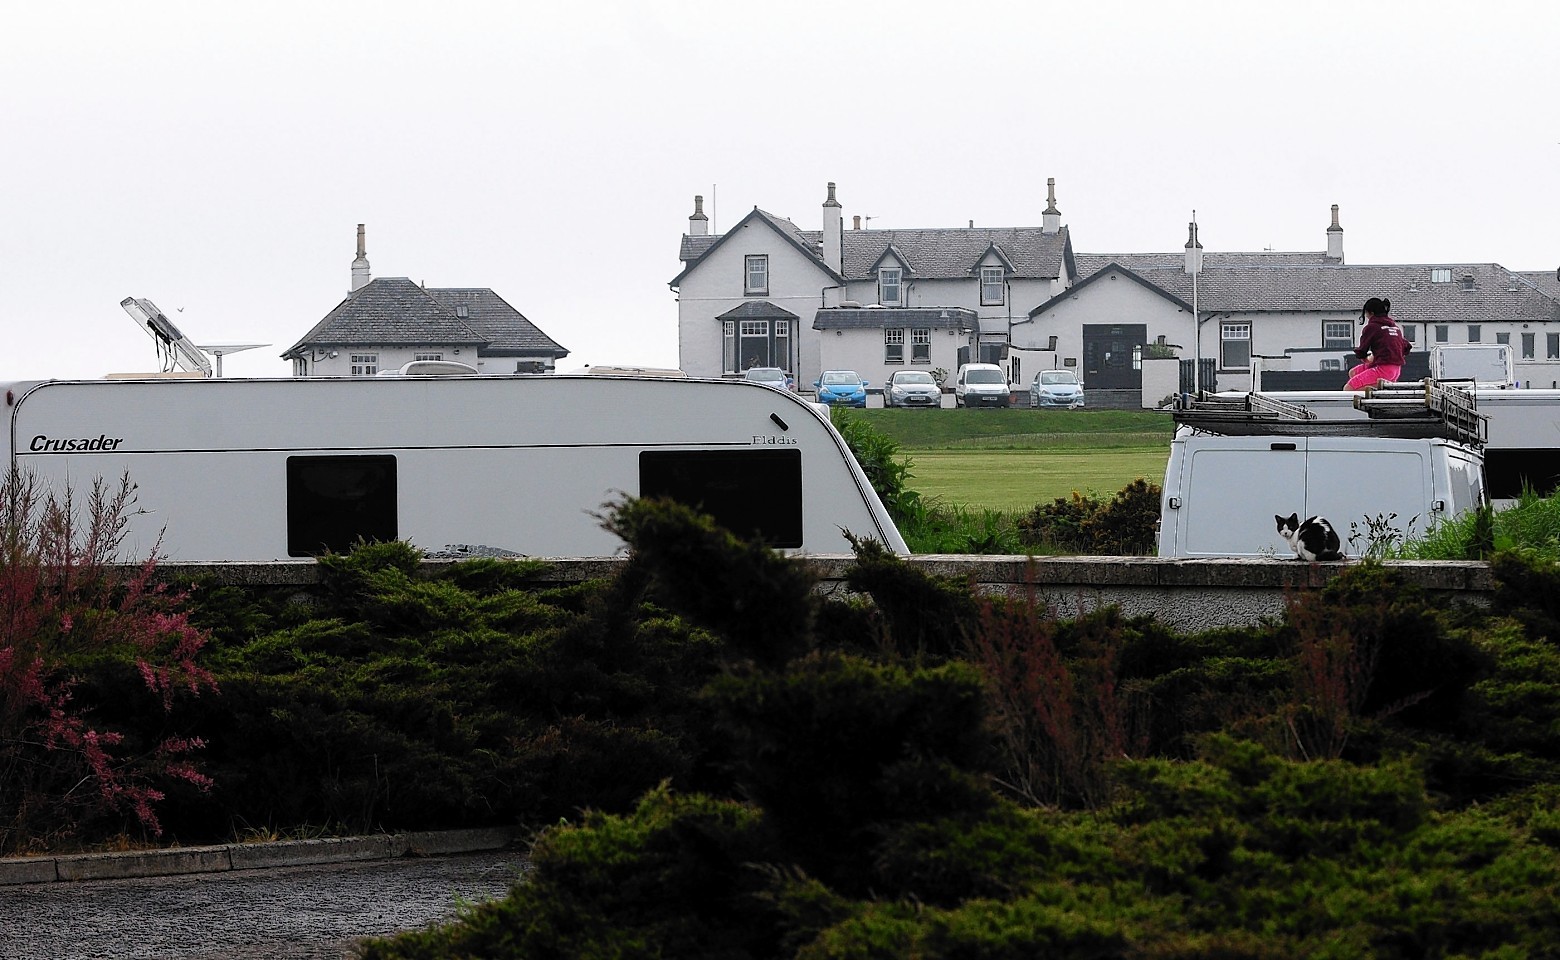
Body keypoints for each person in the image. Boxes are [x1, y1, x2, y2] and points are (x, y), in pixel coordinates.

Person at [1344, 297, 1410, 390]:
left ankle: (1375, 394)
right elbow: (1406, 347)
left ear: (1371, 313)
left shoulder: (1372, 327)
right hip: (1396, 370)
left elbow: (1362, 351)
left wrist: (1367, 359)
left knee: (1349, 388)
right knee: (1353, 373)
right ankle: (1375, 390)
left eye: (1366, 314)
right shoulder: (1395, 327)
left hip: (1383, 370)